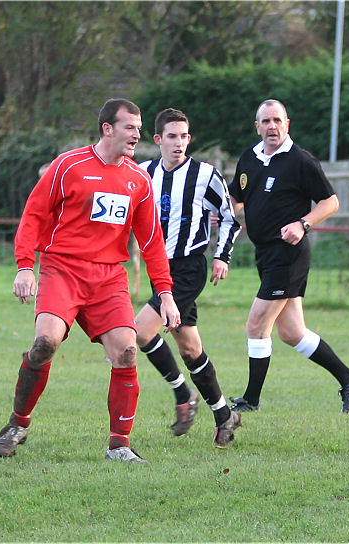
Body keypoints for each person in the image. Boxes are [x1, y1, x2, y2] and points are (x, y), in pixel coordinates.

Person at [0, 98, 180, 463]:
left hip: (108, 278)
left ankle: (119, 444)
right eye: (129, 127)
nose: (136, 134)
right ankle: (17, 424)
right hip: (62, 268)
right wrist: (24, 266)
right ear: (107, 128)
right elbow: (32, 215)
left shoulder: (139, 179)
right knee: (45, 342)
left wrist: (166, 294)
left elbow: (152, 241)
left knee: (126, 352)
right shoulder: (68, 165)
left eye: (139, 128)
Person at [227, 98, 349, 414]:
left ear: (287, 124)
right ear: (257, 126)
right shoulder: (250, 157)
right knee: (292, 333)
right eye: (266, 121)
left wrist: (303, 224)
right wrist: (228, 214)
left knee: (256, 324)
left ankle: (251, 400)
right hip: (264, 254)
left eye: (277, 120)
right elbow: (236, 197)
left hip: (288, 255)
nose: (272, 126)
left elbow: (330, 203)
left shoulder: (301, 161)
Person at [136, 108, 242, 448]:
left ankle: (183, 394)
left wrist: (221, 256)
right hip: (158, 269)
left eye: (184, 136)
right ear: (158, 140)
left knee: (140, 330)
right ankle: (225, 414)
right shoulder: (142, 173)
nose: (179, 142)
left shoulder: (205, 175)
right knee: (190, 348)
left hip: (187, 269)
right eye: (171, 136)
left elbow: (228, 217)